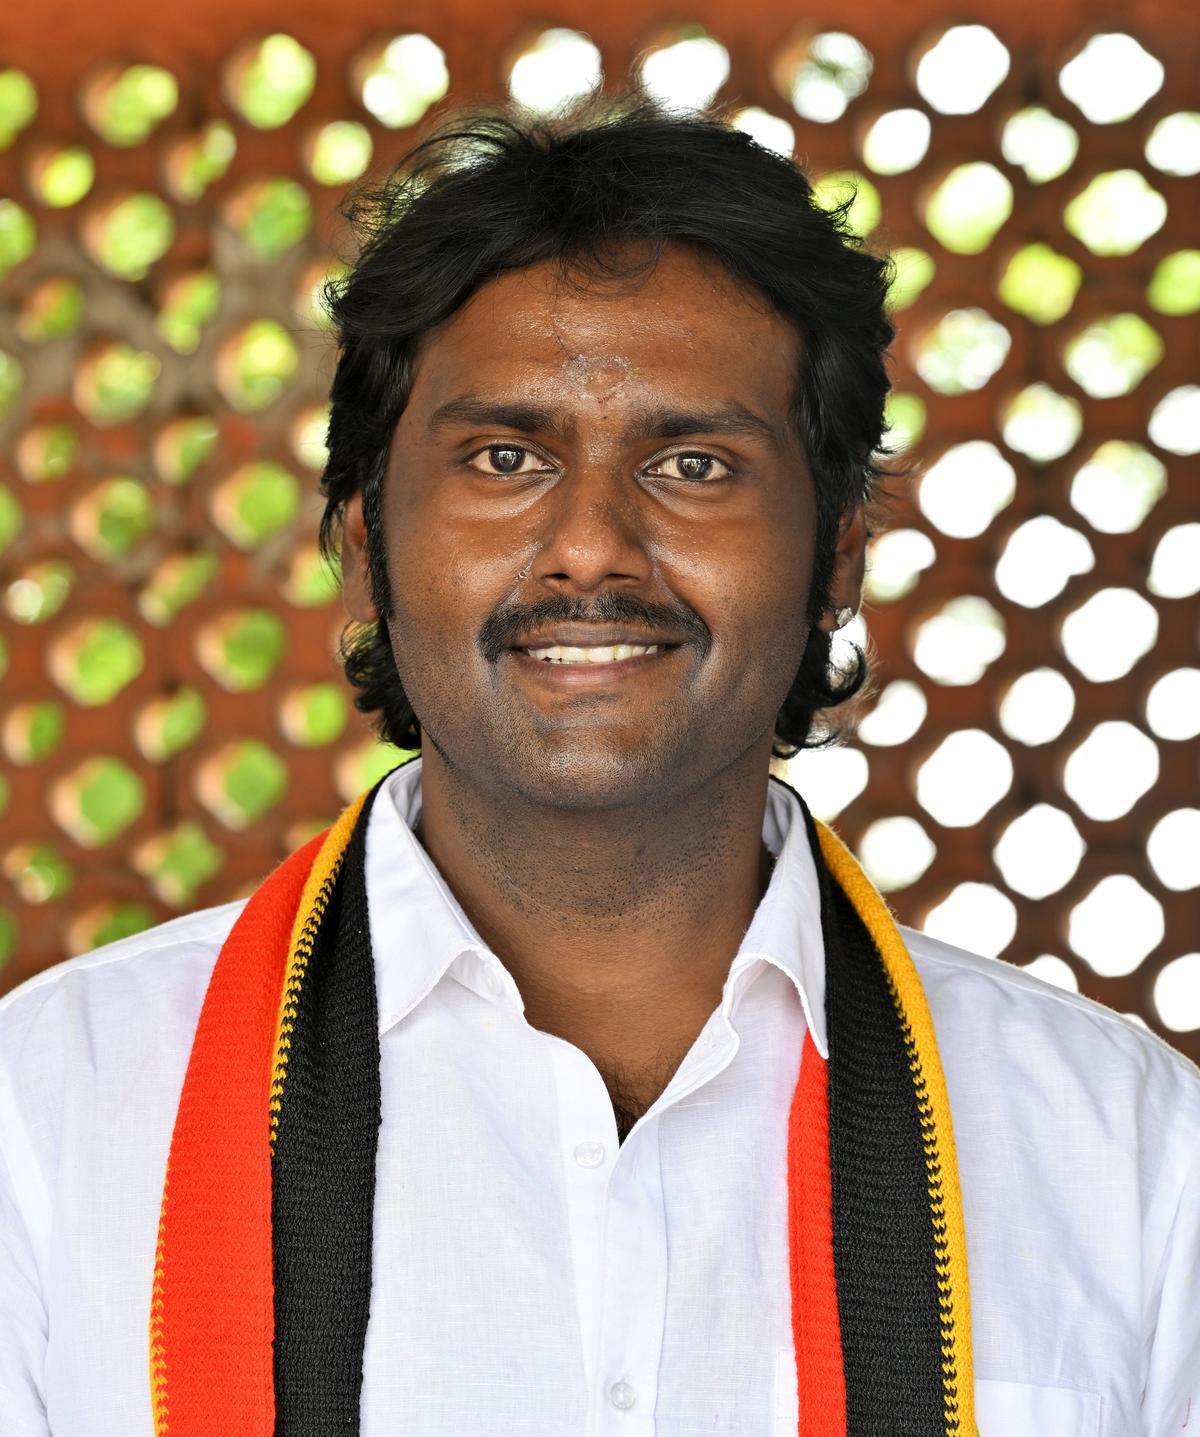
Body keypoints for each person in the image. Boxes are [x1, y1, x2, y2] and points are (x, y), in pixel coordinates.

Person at [0, 100, 1196, 1437]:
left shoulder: (1129, 1155)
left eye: (692, 463)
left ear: (836, 557)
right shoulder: (51, 1116)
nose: (591, 547)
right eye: (507, 458)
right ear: (365, 545)